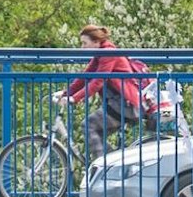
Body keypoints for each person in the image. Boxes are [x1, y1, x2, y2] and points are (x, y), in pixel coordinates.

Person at [51, 25, 143, 161]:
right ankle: (115, 164)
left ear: (96, 42)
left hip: (124, 105)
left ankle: (104, 168)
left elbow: (98, 81)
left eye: (84, 43)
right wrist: (66, 93)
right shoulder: (100, 55)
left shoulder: (108, 54)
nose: (82, 47)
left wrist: (74, 99)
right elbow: (85, 77)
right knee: (94, 132)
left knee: (89, 125)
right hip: (117, 103)